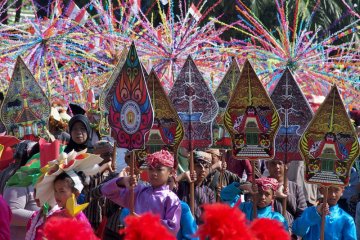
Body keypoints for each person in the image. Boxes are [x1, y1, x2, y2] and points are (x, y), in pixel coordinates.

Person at [99, 150, 181, 235]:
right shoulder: (139, 191)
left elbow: (172, 228)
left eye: (159, 170)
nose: (154, 173)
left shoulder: (171, 198)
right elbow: (106, 191)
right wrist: (122, 181)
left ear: (170, 172)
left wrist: (142, 221)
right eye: (150, 169)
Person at [221, 177, 288, 229]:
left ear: (273, 197)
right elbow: (225, 195)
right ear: (253, 194)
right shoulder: (243, 208)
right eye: (259, 193)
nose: (263, 197)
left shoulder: (277, 219)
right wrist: (244, 187)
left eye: (267, 194)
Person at [266, 159, 307, 230]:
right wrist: (274, 196)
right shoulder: (261, 187)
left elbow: (302, 213)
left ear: (287, 165)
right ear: (267, 165)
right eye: (273, 163)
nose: (277, 167)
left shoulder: (295, 188)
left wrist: (294, 231)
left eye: (280, 163)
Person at [177, 151, 215, 224]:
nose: (203, 170)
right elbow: (165, 189)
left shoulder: (209, 192)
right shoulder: (180, 186)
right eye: (198, 166)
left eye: (206, 167)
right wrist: (183, 175)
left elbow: (211, 217)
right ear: (190, 167)